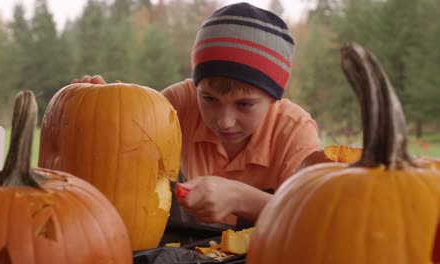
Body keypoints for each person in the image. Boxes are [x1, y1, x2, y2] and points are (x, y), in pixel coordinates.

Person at [73, 2, 321, 226]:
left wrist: (241, 198)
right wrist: (100, 112)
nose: (225, 121)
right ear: (195, 87)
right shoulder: (177, 105)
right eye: (209, 99)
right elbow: (124, 149)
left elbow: (316, 218)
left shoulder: (295, 130)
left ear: (273, 98)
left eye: (244, 104)